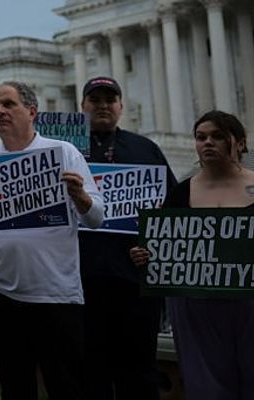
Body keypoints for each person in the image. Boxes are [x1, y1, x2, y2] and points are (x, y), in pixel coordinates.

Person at [0, 82, 103, 400]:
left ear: (31, 112)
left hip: (55, 294)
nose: (0, 111)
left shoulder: (64, 153)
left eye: (8, 104)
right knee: (15, 384)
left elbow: (96, 218)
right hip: (0, 293)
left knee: (66, 384)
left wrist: (81, 196)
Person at [130, 110, 254, 399]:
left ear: (239, 142)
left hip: (248, 302)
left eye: (218, 136)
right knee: (206, 379)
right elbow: (163, 245)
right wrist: (144, 254)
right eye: (201, 137)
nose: (207, 143)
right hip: (195, 303)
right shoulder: (181, 191)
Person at [76, 77, 175, 400]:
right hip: (82, 280)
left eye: (110, 99)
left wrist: (154, 247)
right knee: (91, 369)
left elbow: (170, 210)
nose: (103, 105)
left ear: (120, 106)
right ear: (83, 107)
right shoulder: (67, 152)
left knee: (139, 368)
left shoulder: (145, 149)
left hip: (135, 279)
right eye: (95, 100)